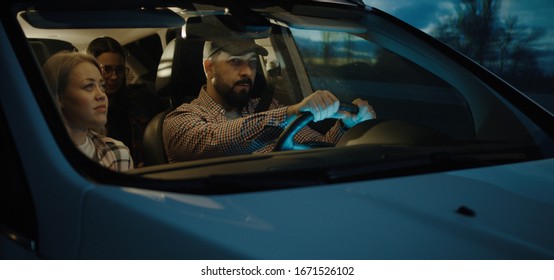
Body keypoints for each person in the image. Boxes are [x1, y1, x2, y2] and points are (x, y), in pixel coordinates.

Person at [163, 38, 376, 163]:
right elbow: (215, 141)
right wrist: (291, 113)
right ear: (209, 68)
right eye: (235, 61)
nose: (247, 71)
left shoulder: (269, 107)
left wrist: (346, 125)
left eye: (252, 62)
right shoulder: (179, 120)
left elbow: (320, 148)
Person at [42, 51, 134, 171]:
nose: (101, 95)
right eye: (89, 86)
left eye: (102, 86)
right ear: (59, 98)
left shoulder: (118, 153)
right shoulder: (36, 155)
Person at [86, 36, 166, 167]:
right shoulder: (84, 113)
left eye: (119, 70)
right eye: (106, 70)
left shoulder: (141, 105)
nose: (114, 77)